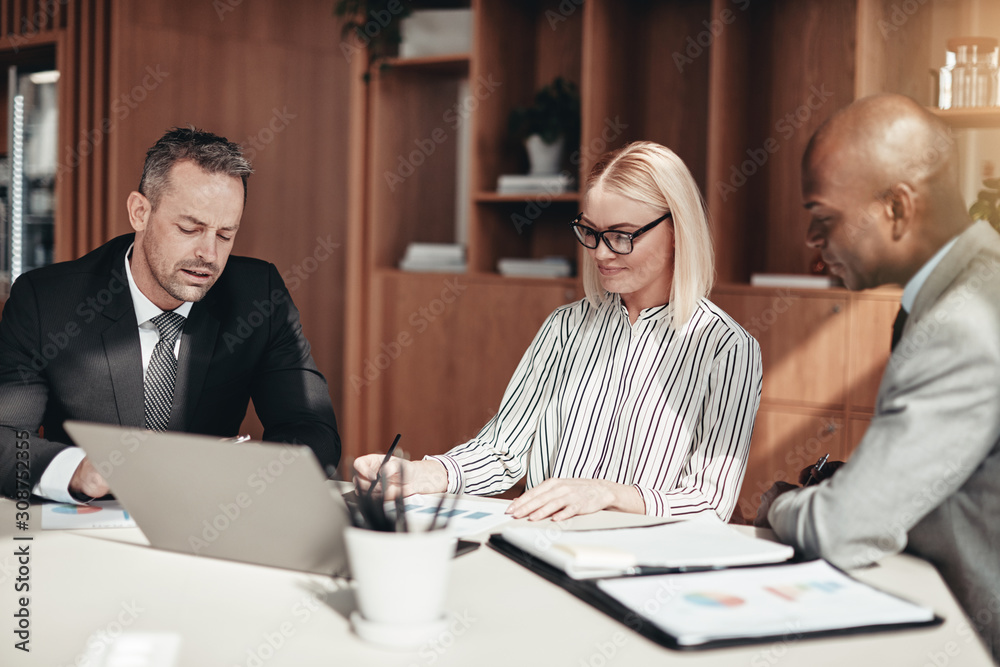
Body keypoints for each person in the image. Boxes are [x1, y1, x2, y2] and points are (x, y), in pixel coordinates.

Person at [355, 141, 762, 522]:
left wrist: (609, 494)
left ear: (677, 231)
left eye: (621, 236)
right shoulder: (565, 327)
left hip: (642, 568)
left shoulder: (728, 349)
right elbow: (503, 452)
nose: (601, 252)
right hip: (543, 547)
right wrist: (423, 474)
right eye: (591, 232)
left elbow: (710, 502)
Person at [756, 93, 1000, 660]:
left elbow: (841, 530)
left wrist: (779, 505)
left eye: (824, 221)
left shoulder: (964, 324)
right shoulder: (946, 298)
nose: (814, 247)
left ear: (897, 208)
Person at [0, 127, 341, 502]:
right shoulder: (47, 301)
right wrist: (81, 470)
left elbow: (312, 428)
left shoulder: (259, 296)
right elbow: (4, 437)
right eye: (189, 228)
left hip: (210, 521)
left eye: (225, 235)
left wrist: (254, 468)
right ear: (140, 212)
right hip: (92, 528)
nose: (209, 254)